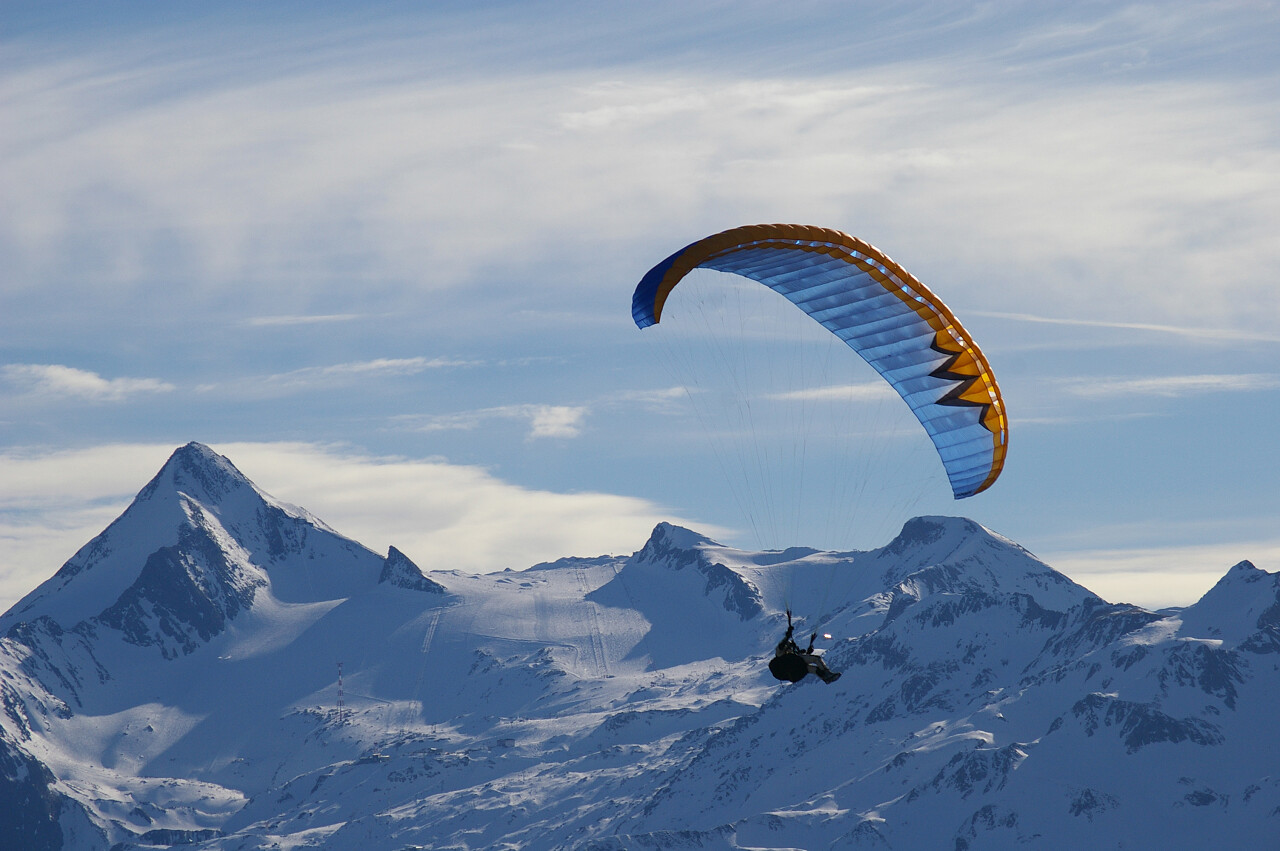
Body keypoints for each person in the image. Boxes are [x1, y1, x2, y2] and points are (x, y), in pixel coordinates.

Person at [769, 610, 841, 684]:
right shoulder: (780, 653)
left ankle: (826, 678)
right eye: (789, 646)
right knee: (816, 659)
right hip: (795, 670)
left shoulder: (790, 656)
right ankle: (827, 673)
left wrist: (808, 651)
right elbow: (781, 645)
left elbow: (800, 657)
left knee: (814, 669)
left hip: (796, 673)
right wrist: (787, 636)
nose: (790, 648)